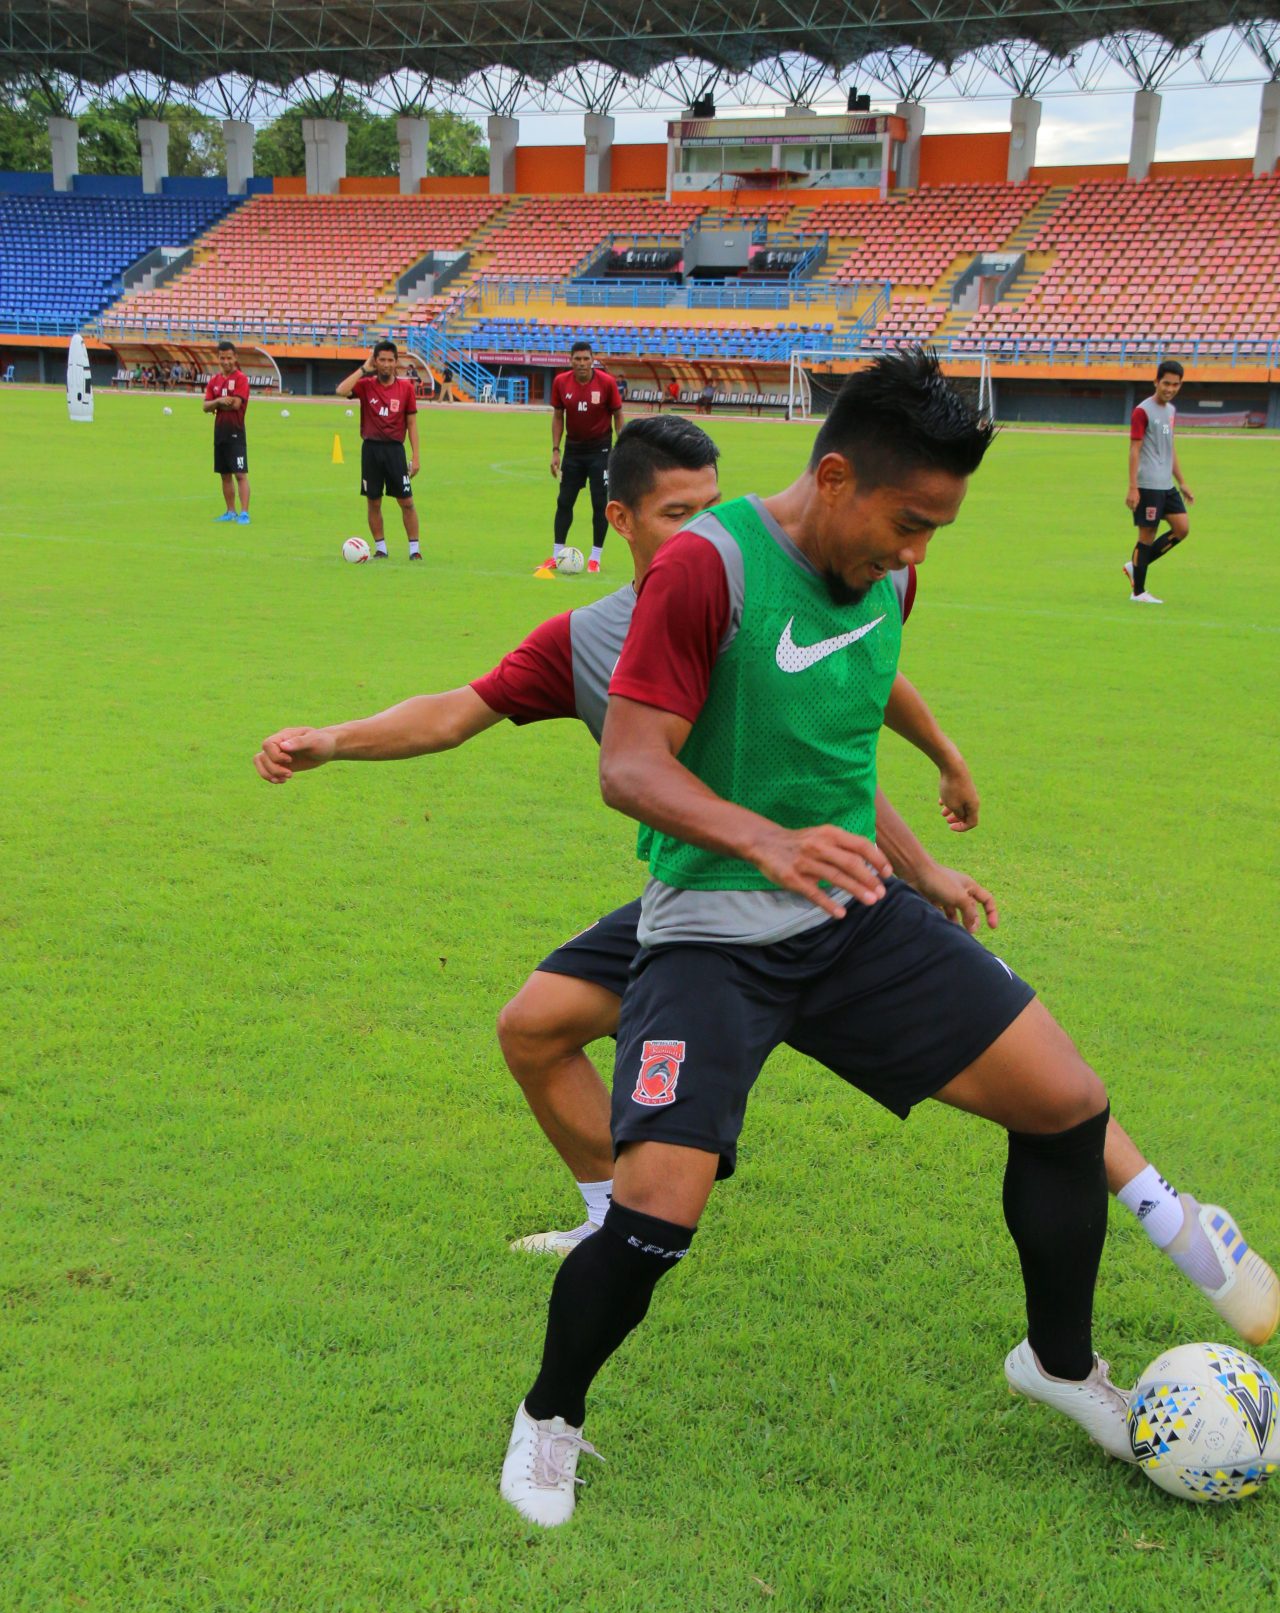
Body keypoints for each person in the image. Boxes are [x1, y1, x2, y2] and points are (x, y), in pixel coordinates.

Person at [252, 413, 1275, 1384]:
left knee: (1036, 1076)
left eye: (710, 506)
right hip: (699, 900)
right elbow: (452, 713)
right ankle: (611, 1212)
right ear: (620, 523)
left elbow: (853, 699)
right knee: (532, 1027)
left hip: (818, 899)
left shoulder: (760, 589)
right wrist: (332, 740)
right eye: (672, 515)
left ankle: (1162, 1208)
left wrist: (930, 814)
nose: (699, 530)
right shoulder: (590, 639)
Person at [499, 350, 1274, 1527]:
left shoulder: (886, 581)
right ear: (834, 474)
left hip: (854, 921)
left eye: (936, 530)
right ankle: (551, 1419)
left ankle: (1060, 1369)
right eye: (907, 521)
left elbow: (841, 730)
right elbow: (629, 764)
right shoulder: (705, 573)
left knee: (1064, 1105)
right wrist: (765, 841)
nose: (915, 553)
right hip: (711, 932)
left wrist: (919, 855)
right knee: (656, 1214)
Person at [542, 342, 625, 577]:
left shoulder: (607, 383)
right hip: (573, 452)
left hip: (600, 451)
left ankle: (595, 558)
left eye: (586, 359)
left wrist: (623, 445)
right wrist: (556, 449)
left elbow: (618, 414)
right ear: (570, 360)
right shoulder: (561, 382)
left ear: (592, 360)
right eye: (577, 359)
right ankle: (557, 554)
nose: (581, 363)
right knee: (564, 501)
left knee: (600, 504)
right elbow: (558, 416)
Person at [336, 341, 422, 562]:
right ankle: (381, 548)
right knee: (373, 501)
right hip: (371, 450)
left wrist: (415, 456)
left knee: (407, 501)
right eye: (381, 360)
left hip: (395, 450)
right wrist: (364, 369)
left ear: (396, 363)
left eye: (390, 360)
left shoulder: (406, 389)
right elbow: (341, 390)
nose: (386, 364)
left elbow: (411, 424)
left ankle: (414, 550)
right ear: (375, 361)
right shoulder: (365, 385)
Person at [1124, 360, 1193, 605]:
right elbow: (1134, 449)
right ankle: (1138, 592)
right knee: (1147, 535)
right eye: (1166, 383)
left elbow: (1170, 447)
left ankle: (1135, 565)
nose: (1170, 389)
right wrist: (1133, 487)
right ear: (1156, 382)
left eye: (1175, 385)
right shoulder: (1142, 411)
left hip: (1166, 484)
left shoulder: (1171, 411)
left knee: (1182, 528)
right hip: (1148, 484)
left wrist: (1182, 481)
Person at [203, 340, 251, 525]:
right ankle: (230, 511)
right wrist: (220, 401)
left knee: (240, 474)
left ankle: (244, 513)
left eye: (229, 358)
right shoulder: (214, 381)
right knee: (224, 475)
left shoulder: (241, 379)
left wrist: (217, 402)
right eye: (222, 358)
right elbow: (205, 406)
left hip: (236, 433)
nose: (226, 362)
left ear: (235, 358)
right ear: (218, 358)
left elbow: (237, 404)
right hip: (220, 433)